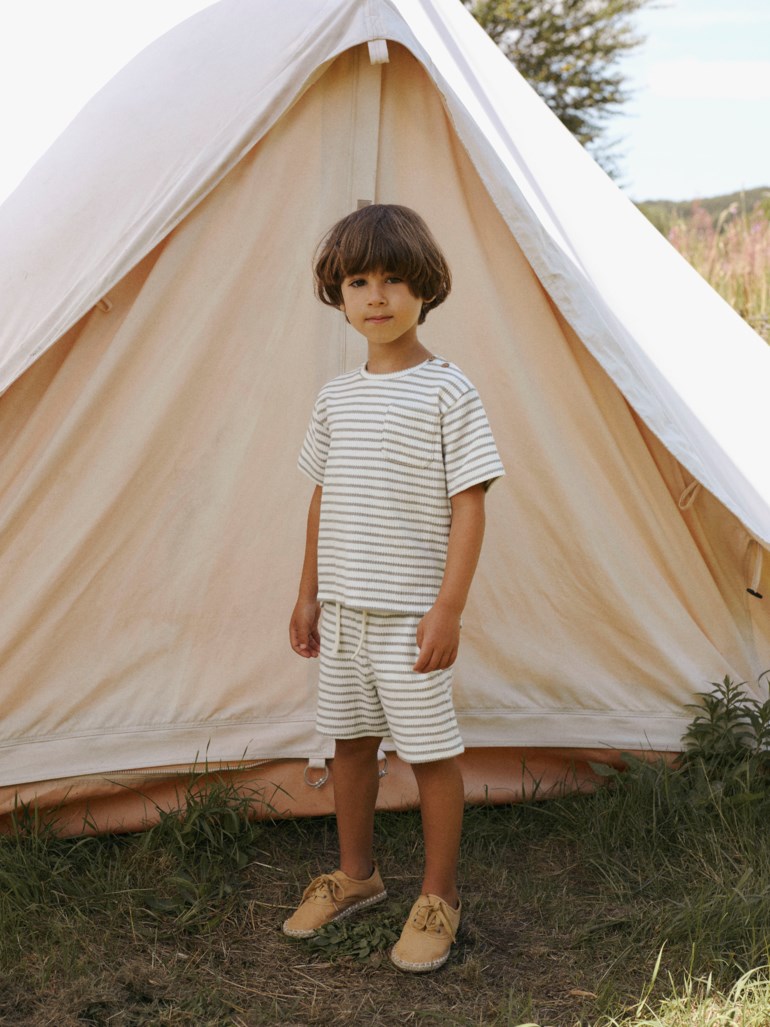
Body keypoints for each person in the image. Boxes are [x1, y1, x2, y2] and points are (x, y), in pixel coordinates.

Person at [285, 204, 504, 973]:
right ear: (338, 295)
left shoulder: (449, 392)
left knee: (430, 752)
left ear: (426, 288)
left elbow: (469, 504)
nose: (375, 296)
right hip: (344, 614)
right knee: (350, 743)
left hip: (411, 616)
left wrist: (448, 608)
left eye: (392, 280)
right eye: (358, 281)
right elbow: (322, 497)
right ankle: (357, 875)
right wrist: (308, 593)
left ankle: (439, 895)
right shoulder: (335, 397)